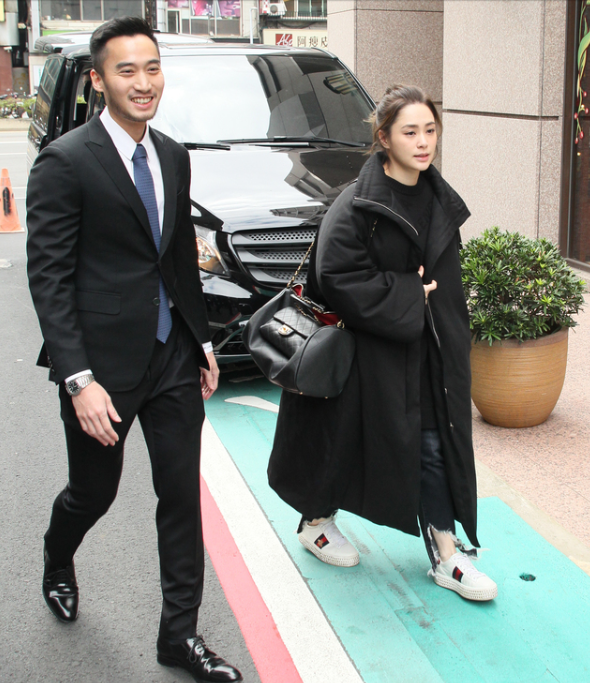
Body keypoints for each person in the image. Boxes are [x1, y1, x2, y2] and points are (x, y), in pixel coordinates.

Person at [26, 17, 242, 682]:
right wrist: (78, 379)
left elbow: (175, 256)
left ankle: (179, 636)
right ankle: (58, 556)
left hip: (172, 355)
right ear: (98, 80)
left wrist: (201, 338)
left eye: (152, 68)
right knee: (92, 492)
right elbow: (50, 279)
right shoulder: (65, 161)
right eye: (127, 70)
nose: (143, 82)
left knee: (180, 496)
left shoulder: (172, 154)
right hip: (102, 367)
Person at [268, 84, 498, 602]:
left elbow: (447, 285)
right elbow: (336, 277)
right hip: (367, 356)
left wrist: (452, 339)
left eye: (430, 130)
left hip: (427, 351)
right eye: (410, 131)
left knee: (434, 444)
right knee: (343, 443)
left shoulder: (439, 198)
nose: (423, 142)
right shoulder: (356, 204)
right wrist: (407, 293)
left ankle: (446, 553)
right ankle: (316, 521)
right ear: (384, 138)